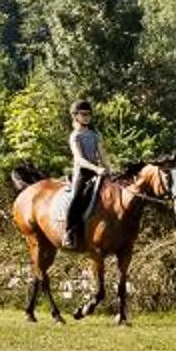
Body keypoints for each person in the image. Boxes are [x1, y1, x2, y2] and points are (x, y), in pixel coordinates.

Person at [63, 99, 106, 248]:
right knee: (76, 198)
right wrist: (96, 169)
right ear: (75, 116)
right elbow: (79, 159)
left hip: (97, 171)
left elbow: (102, 155)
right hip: (82, 172)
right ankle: (69, 232)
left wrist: (109, 169)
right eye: (83, 114)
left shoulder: (95, 134)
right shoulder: (75, 136)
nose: (87, 117)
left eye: (89, 114)